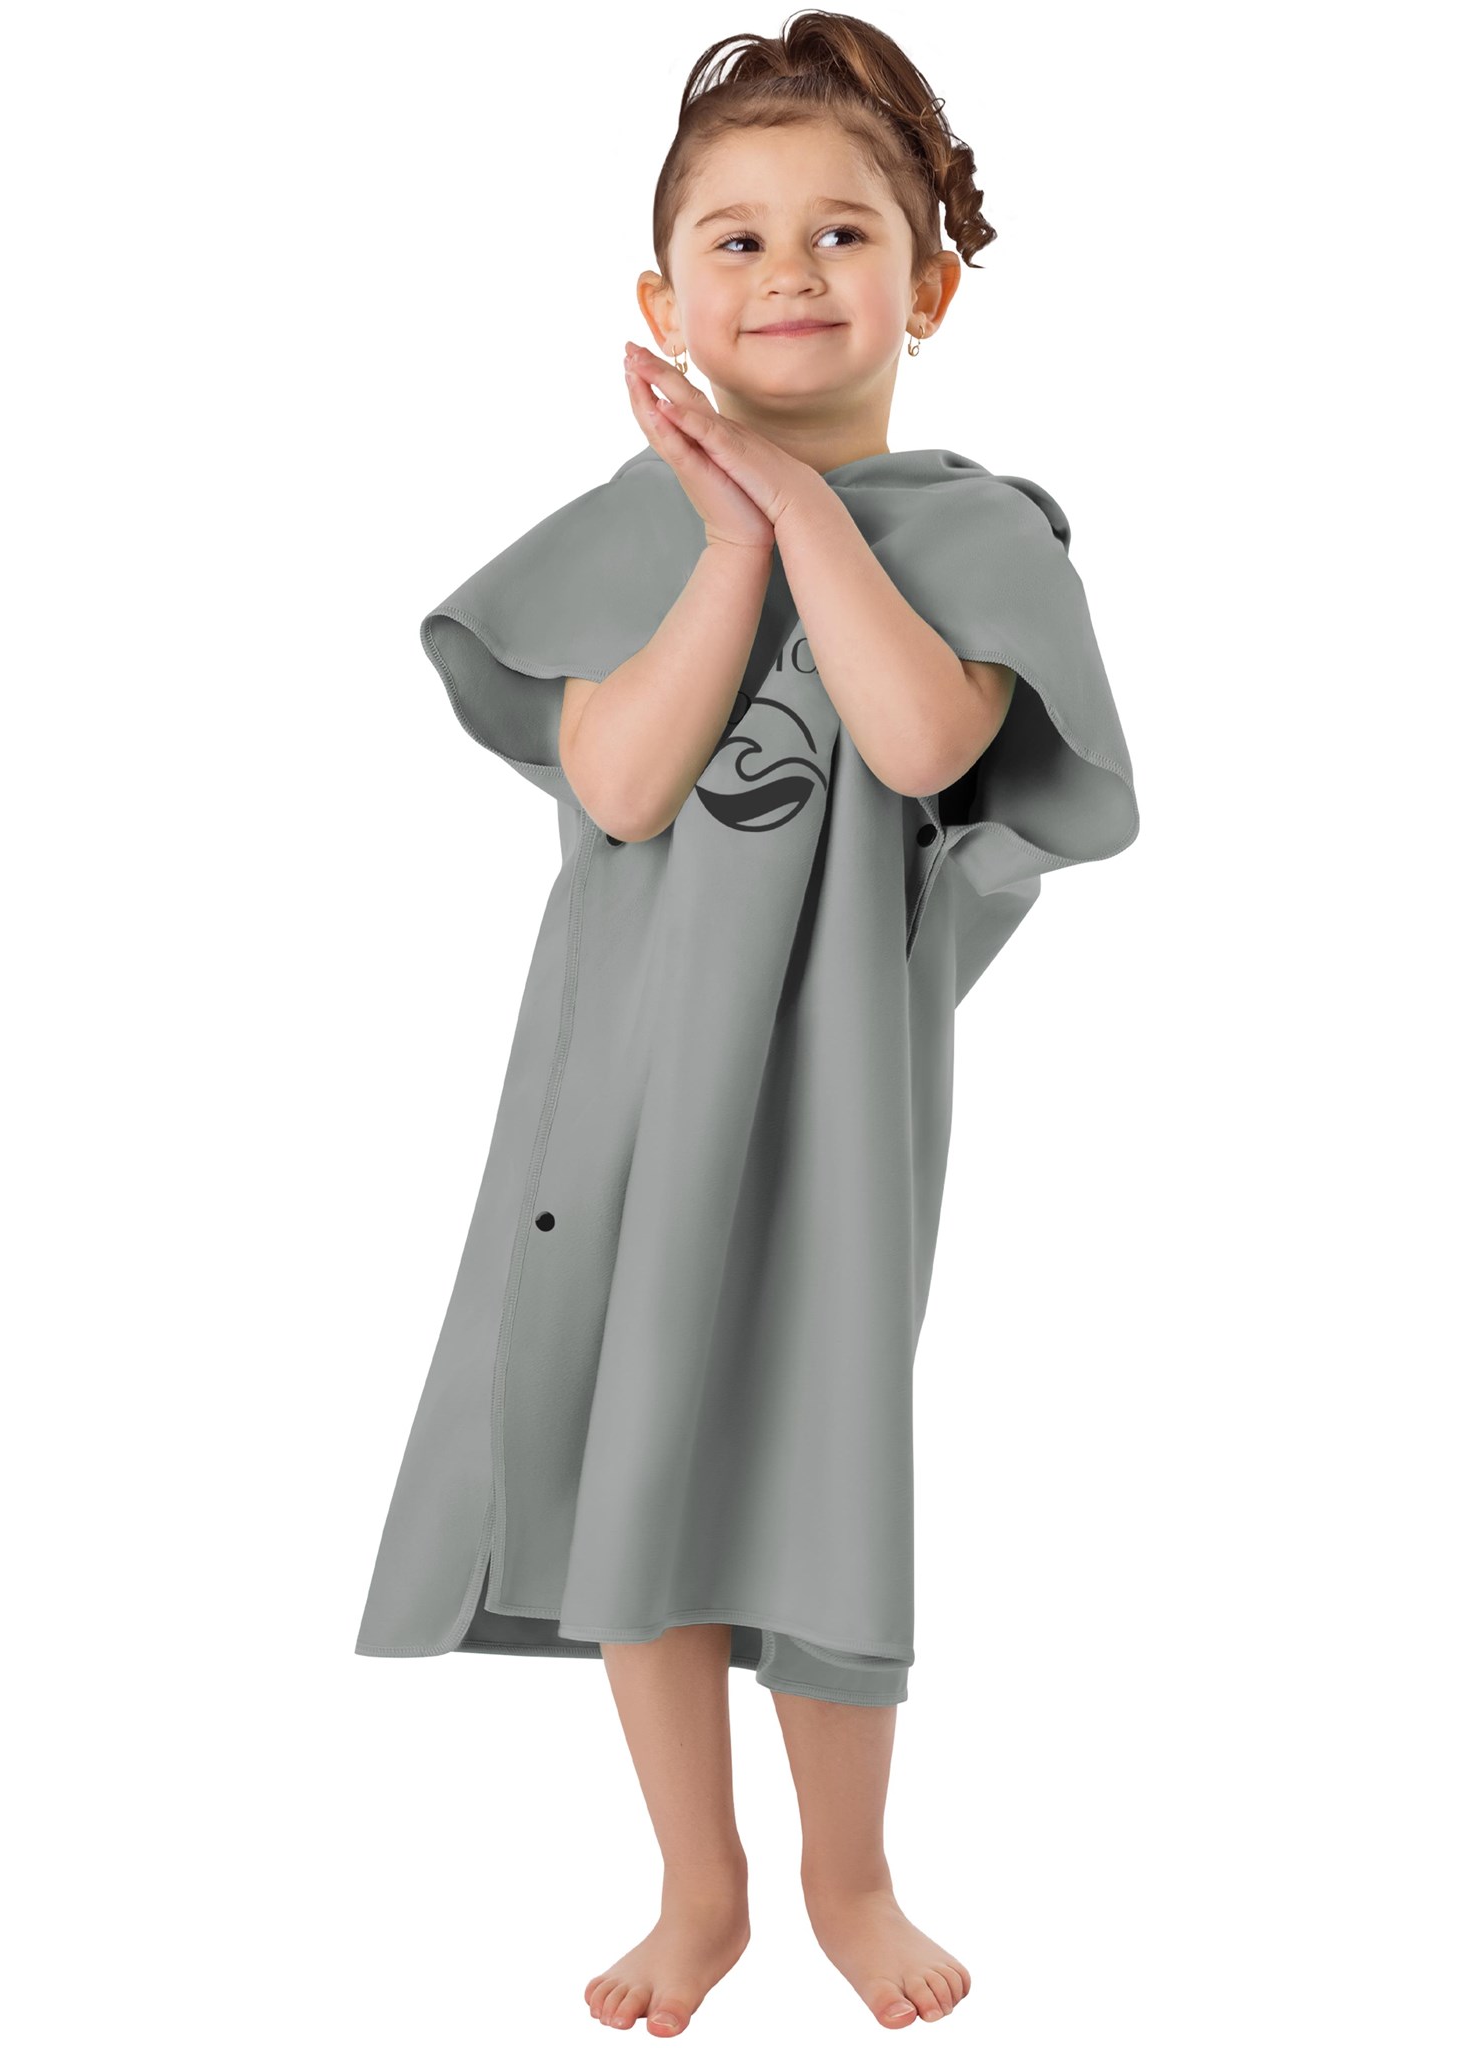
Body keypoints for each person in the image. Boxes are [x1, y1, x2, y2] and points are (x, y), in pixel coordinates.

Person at [356, 10, 1139, 2034]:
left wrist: (799, 505)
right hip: (615, 1095)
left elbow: (918, 734)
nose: (789, 270)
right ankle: (695, 1883)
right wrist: (724, 530)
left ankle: (845, 1872)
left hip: (832, 1101)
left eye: (842, 234)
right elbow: (622, 783)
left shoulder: (977, 537)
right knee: (634, 1445)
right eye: (737, 239)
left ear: (927, 289)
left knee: (815, 1442)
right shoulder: (627, 540)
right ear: (664, 301)